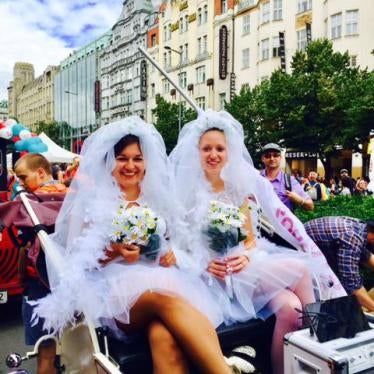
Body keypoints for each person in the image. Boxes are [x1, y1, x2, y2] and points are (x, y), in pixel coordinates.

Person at [33, 117, 239, 374]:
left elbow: (180, 246)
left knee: (163, 337)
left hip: (166, 279)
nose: (130, 165)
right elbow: (76, 264)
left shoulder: (158, 199)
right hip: (114, 293)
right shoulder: (90, 203)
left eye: (137, 159)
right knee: (165, 300)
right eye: (123, 158)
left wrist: (170, 255)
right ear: (109, 162)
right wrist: (114, 252)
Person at [169, 110, 346, 374]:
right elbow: (176, 246)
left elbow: (250, 240)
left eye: (220, 148)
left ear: (229, 152)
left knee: (292, 310)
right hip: (212, 279)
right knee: (301, 268)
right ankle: (325, 347)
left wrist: (247, 256)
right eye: (207, 149)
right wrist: (205, 264)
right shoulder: (185, 195)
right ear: (197, 152)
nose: (214, 154)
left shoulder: (237, 189)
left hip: (246, 269)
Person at [14, 153, 68, 374]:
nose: (20, 183)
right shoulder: (71, 196)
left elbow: (24, 246)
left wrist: (20, 277)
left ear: (41, 173)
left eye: (23, 177)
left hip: (40, 283)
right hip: (73, 285)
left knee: (45, 353)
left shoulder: (31, 204)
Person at [305, 217, 374, 311]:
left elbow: (366, 256)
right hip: (298, 264)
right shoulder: (351, 238)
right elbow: (352, 285)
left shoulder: (359, 227)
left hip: (309, 259)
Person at [260, 143, 313, 211]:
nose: (272, 158)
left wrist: (300, 200)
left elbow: (310, 206)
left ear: (280, 158)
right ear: (262, 159)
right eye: (268, 156)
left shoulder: (289, 181)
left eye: (276, 155)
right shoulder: (256, 178)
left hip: (282, 221)